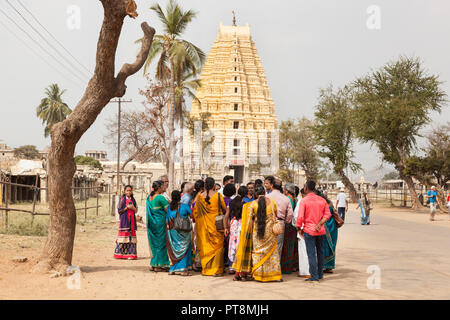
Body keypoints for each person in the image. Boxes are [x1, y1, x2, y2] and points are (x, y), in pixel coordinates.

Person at [296, 180, 331, 282]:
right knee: (320, 252)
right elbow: (327, 214)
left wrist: (299, 228)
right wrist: (320, 223)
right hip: (320, 230)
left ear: (306, 188)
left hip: (309, 230)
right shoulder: (322, 200)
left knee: (311, 253)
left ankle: (314, 276)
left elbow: (300, 217)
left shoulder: (304, 200)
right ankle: (320, 274)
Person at [193, 177, 227, 276]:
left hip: (203, 227)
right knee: (217, 248)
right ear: (213, 185)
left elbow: (195, 212)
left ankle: (206, 270)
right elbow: (224, 209)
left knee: (205, 246)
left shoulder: (199, 197)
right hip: (216, 227)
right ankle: (216, 270)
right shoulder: (219, 196)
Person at [249, 185, 282, 282]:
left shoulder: (253, 204)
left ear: (256, 193)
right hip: (270, 233)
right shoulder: (272, 202)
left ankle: (259, 275)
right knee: (272, 254)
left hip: (258, 233)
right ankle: (274, 276)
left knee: (258, 254)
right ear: (264, 192)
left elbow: (250, 219)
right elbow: (275, 215)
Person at [166, 190, 193, 276]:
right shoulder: (184, 206)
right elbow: (192, 216)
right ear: (180, 197)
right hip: (183, 231)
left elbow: (167, 220)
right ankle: (183, 269)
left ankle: (173, 269)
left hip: (172, 231)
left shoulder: (169, 207)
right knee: (184, 248)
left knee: (174, 250)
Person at [266, 178, 294, 259]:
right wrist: (285, 221)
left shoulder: (267, 197)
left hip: (268, 222)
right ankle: (276, 266)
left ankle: (268, 265)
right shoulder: (285, 198)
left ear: (271, 186)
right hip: (280, 223)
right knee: (278, 245)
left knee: (268, 244)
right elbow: (290, 214)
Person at [146, 180, 170, 271]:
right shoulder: (160, 198)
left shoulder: (149, 197)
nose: (165, 187)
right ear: (159, 187)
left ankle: (154, 263)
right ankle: (160, 264)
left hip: (152, 223)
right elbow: (168, 210)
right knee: (162, 244)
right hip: (160, 223)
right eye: (163, 186)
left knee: (155, 244)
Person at [316, 191, 338, 274]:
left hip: (326, 225)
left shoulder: (322, 204)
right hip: (332, 226)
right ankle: (329, 266)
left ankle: (324, 265)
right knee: (332, 245)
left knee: (325, 245)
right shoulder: (330, 203)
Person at [114, 185, 138, 260]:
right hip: (125, 220)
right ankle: (120, 254)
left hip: (132, 221)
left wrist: (133, 208)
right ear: (124, 191)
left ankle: (131, 254)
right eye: (127, 190)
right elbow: (119, 211)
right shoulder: (122, 200)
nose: (129, 192)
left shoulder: (133, 199)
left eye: (130, 190)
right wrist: (126, 208)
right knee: (124, 235)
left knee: (131, 236)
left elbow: (136, 210)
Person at [228, 186, 248, 274]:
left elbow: (227, 215)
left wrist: (225, 227)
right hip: (241, 224)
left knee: (232, 244)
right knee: (239, 245)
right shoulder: (245, 204)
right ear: (246, 194)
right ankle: (237, 265)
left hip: (233, 224)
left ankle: (231, 265)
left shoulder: (231, 202)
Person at [280, 183, 298, 274]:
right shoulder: (295, 199)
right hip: (293, 225)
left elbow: (289, 213)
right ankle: (290, 266)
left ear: (287, 191)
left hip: (288, 224)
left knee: (286, 245)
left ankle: (286, 267)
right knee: (291, 245)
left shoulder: (288, 199)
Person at [292, 188, 310, 278]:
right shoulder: (318, 200)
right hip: (314, 229)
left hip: (303, 228)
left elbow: (296, 216)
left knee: (303, 250)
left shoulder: (301, 202)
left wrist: (298, 227)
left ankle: (305, 271)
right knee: (312, 250)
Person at [191, 179, 205, 272]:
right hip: (200, 222)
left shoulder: (193, 196)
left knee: (195, 242)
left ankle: (195, 262)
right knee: (199, 242)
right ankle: (198, 262)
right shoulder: (201, 196)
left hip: (194, 221)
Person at [223, 183, 237, 271]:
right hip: (231, 223)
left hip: (222, 223)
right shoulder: (232, 201)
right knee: (230, 243)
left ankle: (224, 261)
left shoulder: (221, 199)